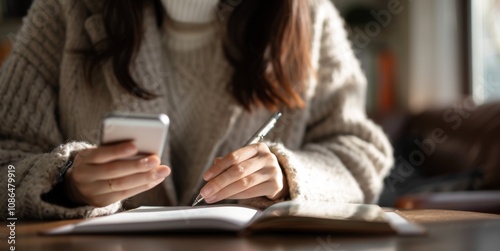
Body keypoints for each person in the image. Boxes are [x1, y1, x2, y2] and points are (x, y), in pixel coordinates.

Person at [0, 0, 393, 219]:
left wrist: (289, 179)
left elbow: (360, 159)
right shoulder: (63, 10)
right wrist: (65, 183)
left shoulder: (308, 15)